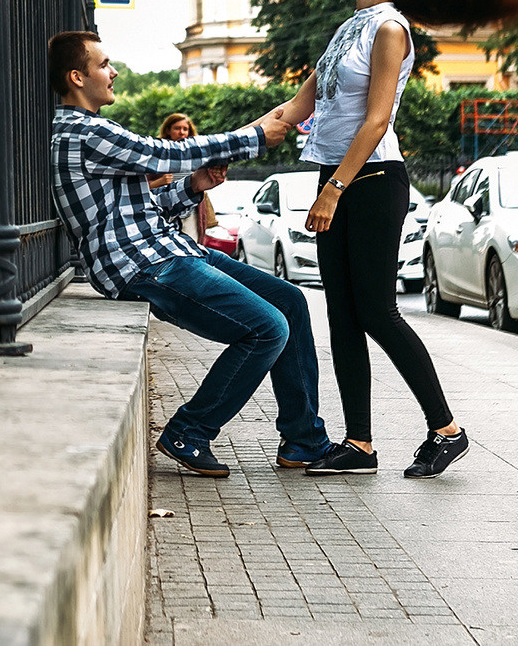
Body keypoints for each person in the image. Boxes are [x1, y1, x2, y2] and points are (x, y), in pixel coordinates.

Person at [262, 0, 518, 480]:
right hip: (339, 177)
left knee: (377, 311)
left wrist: (333, 190)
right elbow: (299, 105)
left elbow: (376, 120)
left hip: (373, 180)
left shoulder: (390, 29)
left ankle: (446, 430)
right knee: (342, 317)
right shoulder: (348, 28)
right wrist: (234, 141)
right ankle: (359, 445)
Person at [49, 31, 334, 478]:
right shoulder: (84, 132)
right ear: (76, 77)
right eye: (104, 64)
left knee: (291, 303)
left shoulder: (93, 132)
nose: (114, 71)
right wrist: (253, 137)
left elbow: (137, 209)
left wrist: (193, 187)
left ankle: (304, 441)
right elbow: (164, 153)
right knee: (266, 328)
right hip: (144, 265)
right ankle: (189, 430)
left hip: (168, 250)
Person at [149, 113, 216, 243]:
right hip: (164, 213)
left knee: (192, 247)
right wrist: (159, 182)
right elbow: (138, 187)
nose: (181, 132)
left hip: (191, 213)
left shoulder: (196, 154)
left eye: (185, 129)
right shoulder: (158, 154)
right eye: (177, 128)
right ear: (168, 130)